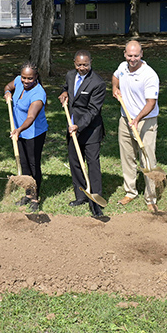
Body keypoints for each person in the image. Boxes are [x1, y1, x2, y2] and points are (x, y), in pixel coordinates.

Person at [112, 40, 159, 209]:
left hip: (145, 121)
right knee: (127, 156)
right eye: (130, 55)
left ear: (142, 54)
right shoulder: (122, 67)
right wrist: (114, 88)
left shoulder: (149, 75)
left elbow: (151, 103)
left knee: (147, 159)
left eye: (136, 56)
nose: (133, 59)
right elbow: (115, 76)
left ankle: (151, 198)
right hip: (125, 119)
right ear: (125, 54)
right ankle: (130, 192)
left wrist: (137, 119)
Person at [58, 50, 106, 217]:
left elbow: (93, 111)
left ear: (90, 62)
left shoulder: (98, 83)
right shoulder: (71, 75)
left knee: (92, 164)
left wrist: (79, 125)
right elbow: (67, 88)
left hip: (90, 128)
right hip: (72, 127)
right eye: (79, 65)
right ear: (74, 63)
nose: (82, 68)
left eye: (85, 64)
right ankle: (81, 195)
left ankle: (95, 199)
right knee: (75, 161)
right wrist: (64, 93)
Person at [4, 62, 48, 212]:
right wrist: (7, 93)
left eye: (30, 78)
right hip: (19, 131)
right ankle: (28, 194)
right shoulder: (18, 81)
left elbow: (30, 117)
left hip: (34, 133)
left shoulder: (38, 94)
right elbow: (8, 87)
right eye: (24, 77)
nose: (26, 81)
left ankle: (35, 197)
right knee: (24, 163)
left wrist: (19, 129)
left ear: (36, 77)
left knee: (33, 164)